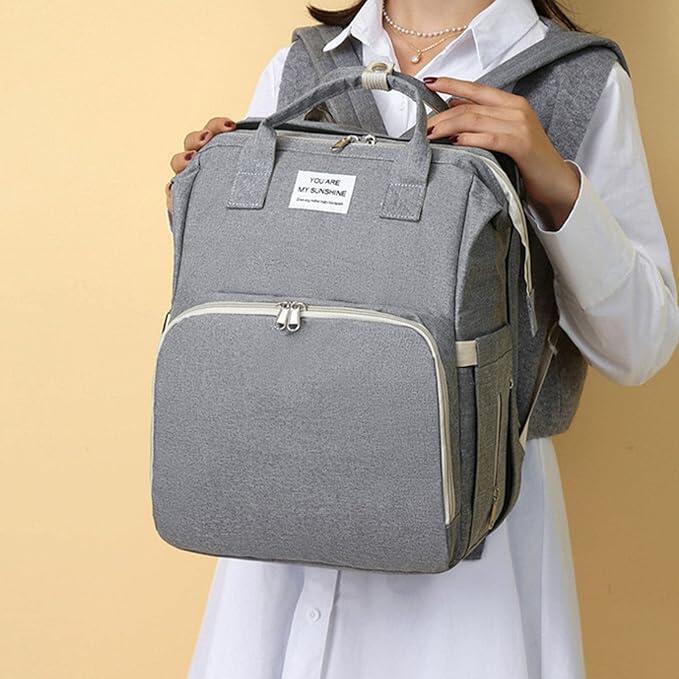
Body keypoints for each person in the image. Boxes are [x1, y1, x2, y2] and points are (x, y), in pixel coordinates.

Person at [167, 1, 679, 677]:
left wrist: (555, 184)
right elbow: (256, 306)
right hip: (279, 486)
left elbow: (640, 346)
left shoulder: (577, 80)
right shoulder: (301, 65)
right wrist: (210, 191)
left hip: (474, 527)